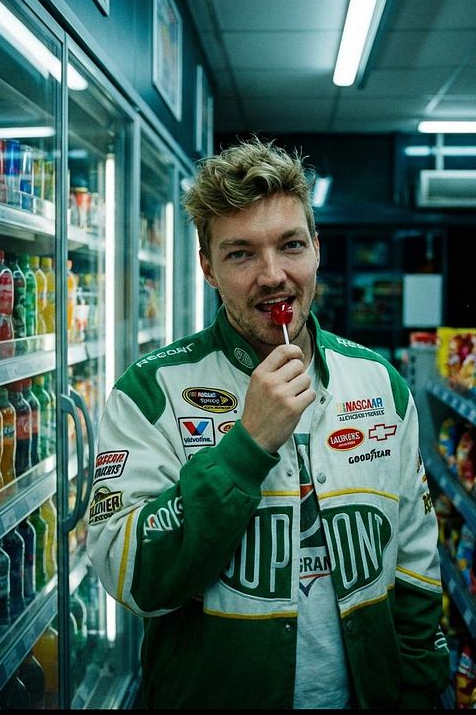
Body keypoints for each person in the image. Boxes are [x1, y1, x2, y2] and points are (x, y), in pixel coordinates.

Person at [86, 136, 450, 709]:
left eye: (291, 245)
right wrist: (248, 444)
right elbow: (128, 576)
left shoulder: (381, 384)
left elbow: (415, 564)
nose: (273, 275)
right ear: (207, 268)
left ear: (317, 249)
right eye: (241, 254)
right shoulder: (150, 392)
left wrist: (424, 693)